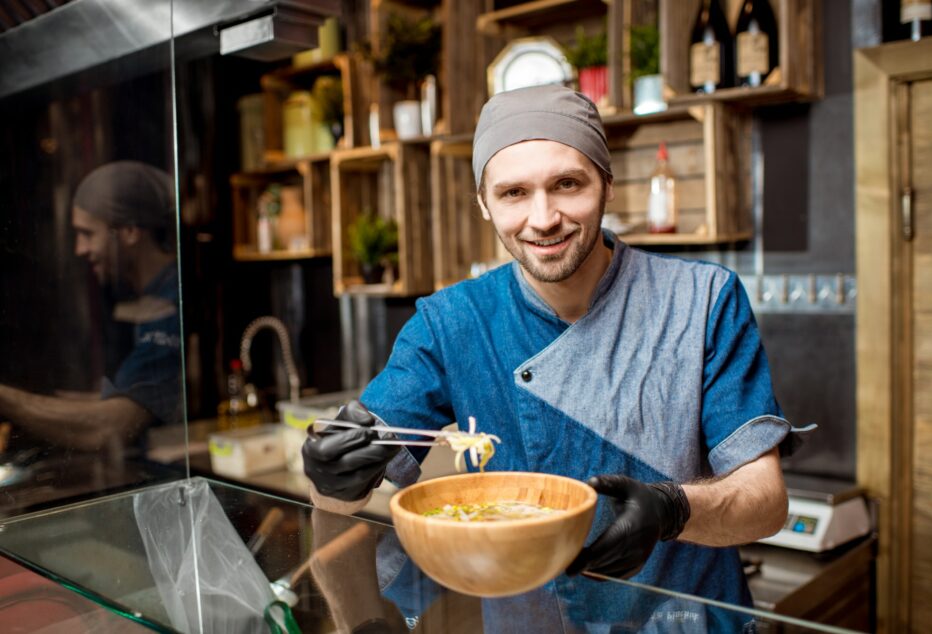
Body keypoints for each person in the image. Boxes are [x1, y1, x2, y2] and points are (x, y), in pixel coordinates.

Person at [302, 85, 808, 631]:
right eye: (514, 193)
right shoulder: (452, 322)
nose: (543, 219)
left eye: (567, 184)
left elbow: (766, 501)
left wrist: (673, 510)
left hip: (686, 619)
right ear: (483, 202)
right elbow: (342, 493)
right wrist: (332, 472)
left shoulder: (703, 300)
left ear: (607, 185)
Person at [0, 161, 181, 454]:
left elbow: (111, 426)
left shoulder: (169, 304)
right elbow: (124, 397)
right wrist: (31, 403)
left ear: (130, 232)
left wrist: (7, 400)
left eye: (87, 233)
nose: (79, 249)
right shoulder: (146, 297)